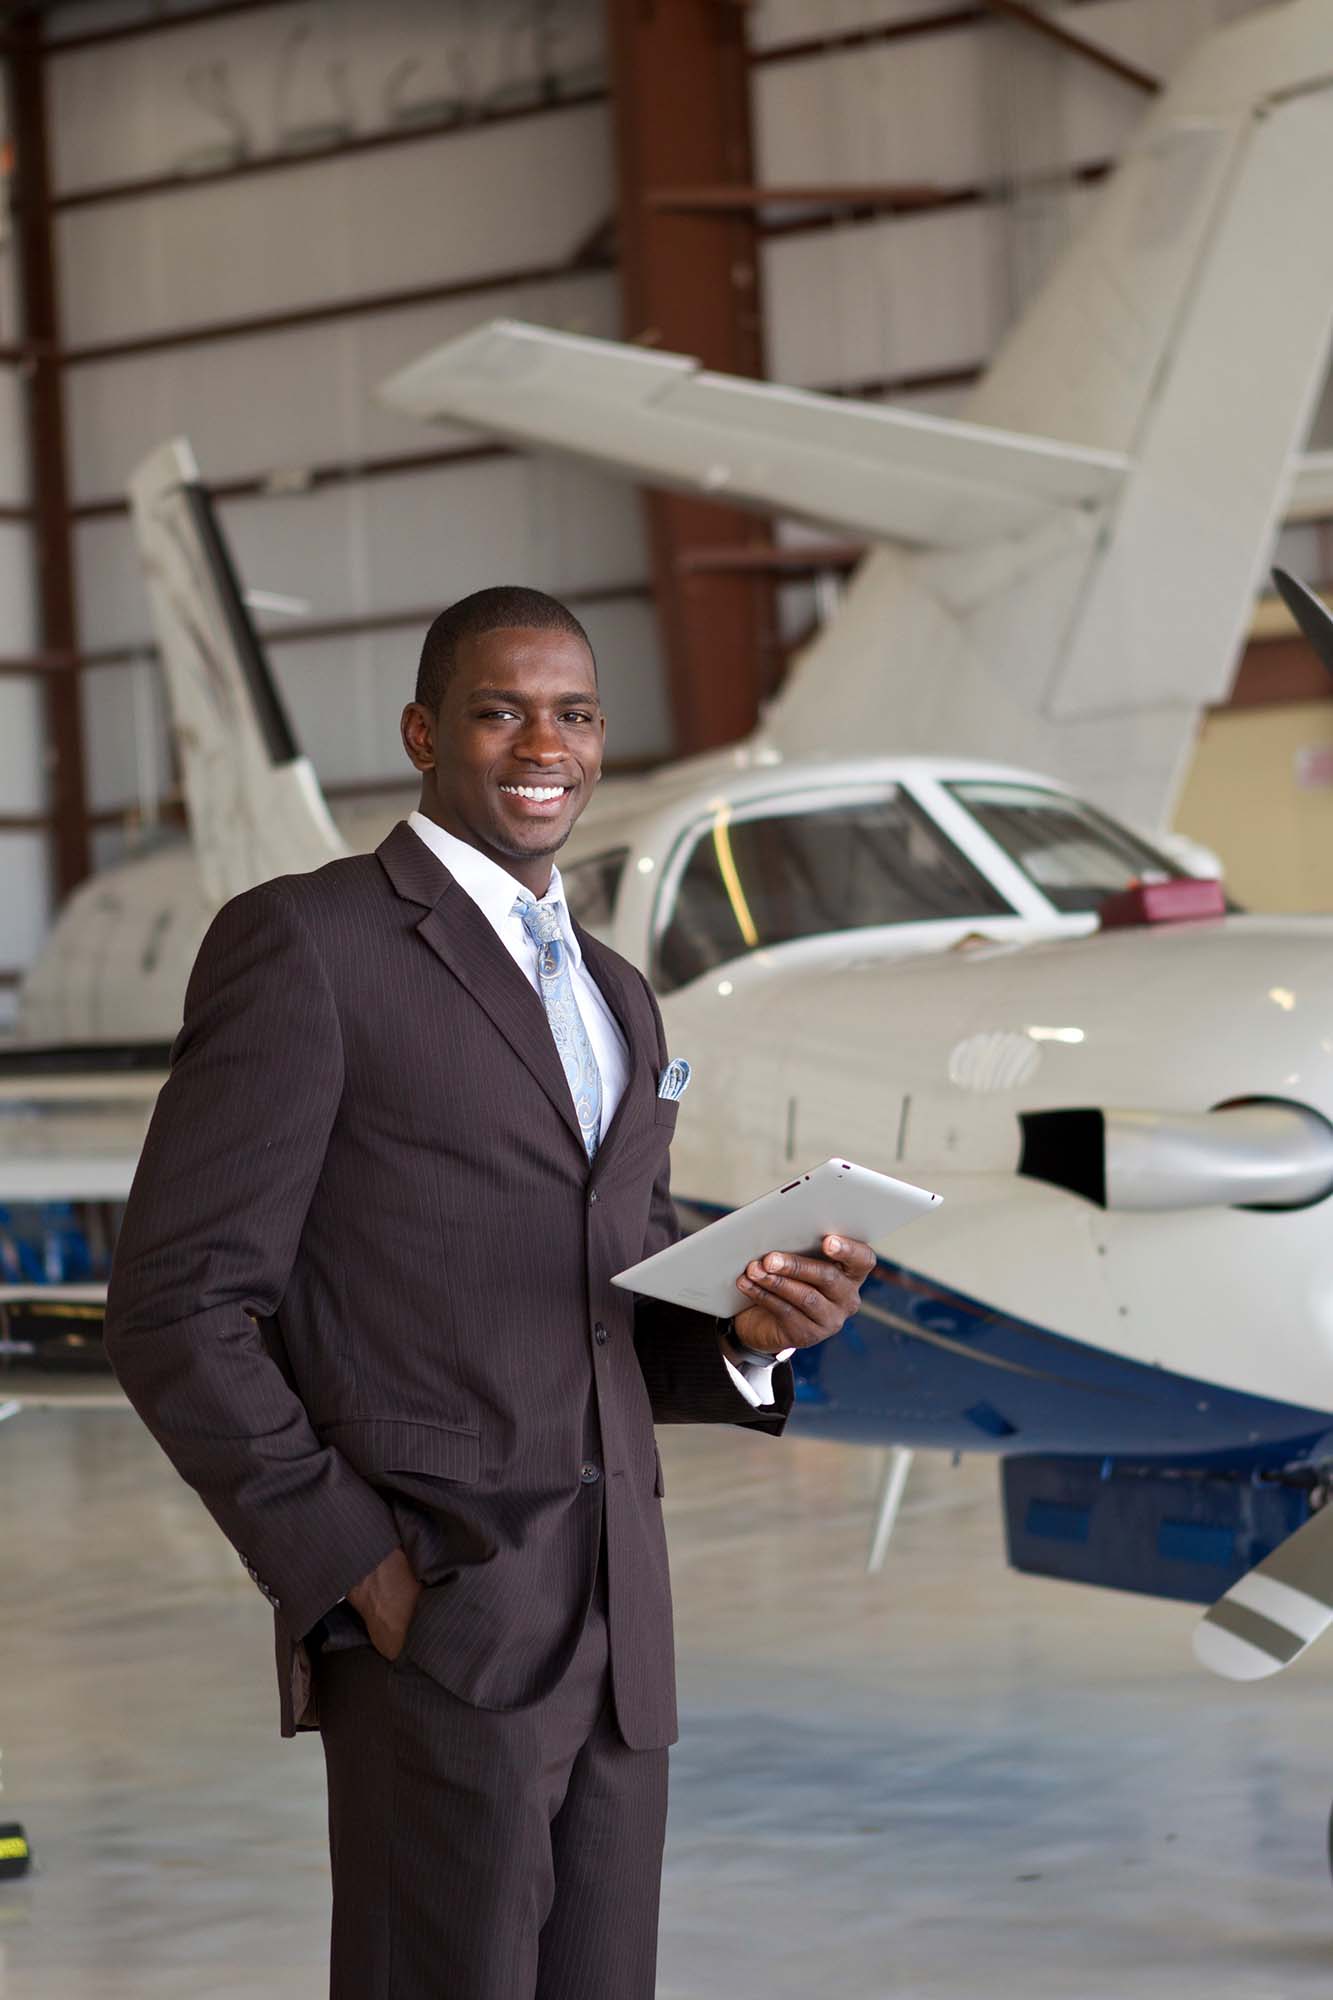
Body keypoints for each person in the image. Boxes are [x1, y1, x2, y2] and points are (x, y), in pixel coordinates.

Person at [104, 586, 875, 2000]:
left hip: (620, 1628)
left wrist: (752, 1337)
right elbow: (173, 1306)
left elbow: (610, 1304)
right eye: (501, 708)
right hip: (435, 1611)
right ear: (422, 731)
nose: (546, 744)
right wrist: (352, 1565)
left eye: (574, 714)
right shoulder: (310, 947)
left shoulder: (620, 997)